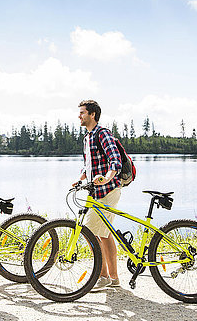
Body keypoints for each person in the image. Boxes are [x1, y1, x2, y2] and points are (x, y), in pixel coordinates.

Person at [73, 100, 122, 290]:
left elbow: (114, 160)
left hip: (108, 191)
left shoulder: (103, 134)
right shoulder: (87, 138)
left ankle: (102, 277)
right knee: (105, 234)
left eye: (82, 112)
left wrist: (108, 177)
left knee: (91, 232)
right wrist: (80, 178)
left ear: (92, 114)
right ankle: (114, 278)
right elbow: (89, 165)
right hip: (95, 192)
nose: (79, 116)